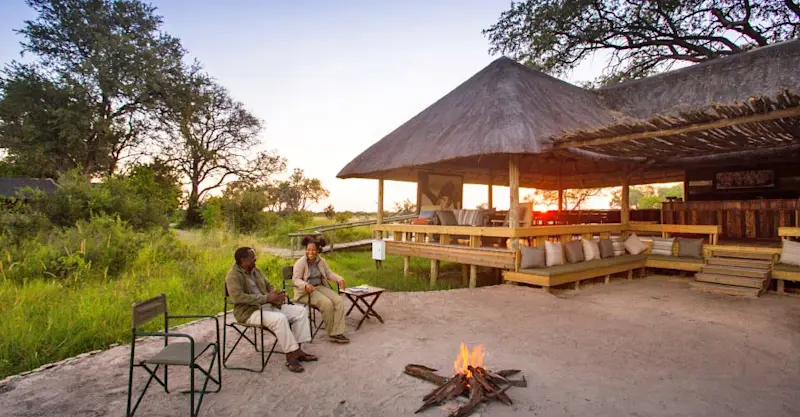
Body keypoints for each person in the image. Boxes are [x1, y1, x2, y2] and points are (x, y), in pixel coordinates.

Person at [225, 247, 316, 373]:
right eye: (253, 257)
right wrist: (266, 298)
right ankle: (291, 357)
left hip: (268, 306)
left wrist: (276, 294)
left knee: (301, 311)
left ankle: (298, 351)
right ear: (243, 260)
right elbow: (237, 297)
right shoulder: (233, 276)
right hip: (250, 312)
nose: (255, 259)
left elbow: (268, 285)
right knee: (280, 319)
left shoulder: (256, 271)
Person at [292, 236, 349, 344]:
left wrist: (339, 279)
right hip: (305, 291)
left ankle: (337, 332)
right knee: (327, 303)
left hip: (319, 286)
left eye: (313, 250)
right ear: (305, 250)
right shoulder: (301, 262)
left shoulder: (321, 261)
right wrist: (305, 285)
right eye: (308, 249)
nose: (310, 252)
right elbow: (295, 279)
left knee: (338, 300)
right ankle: (331, 333)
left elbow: (328, 273)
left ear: (318, 250)